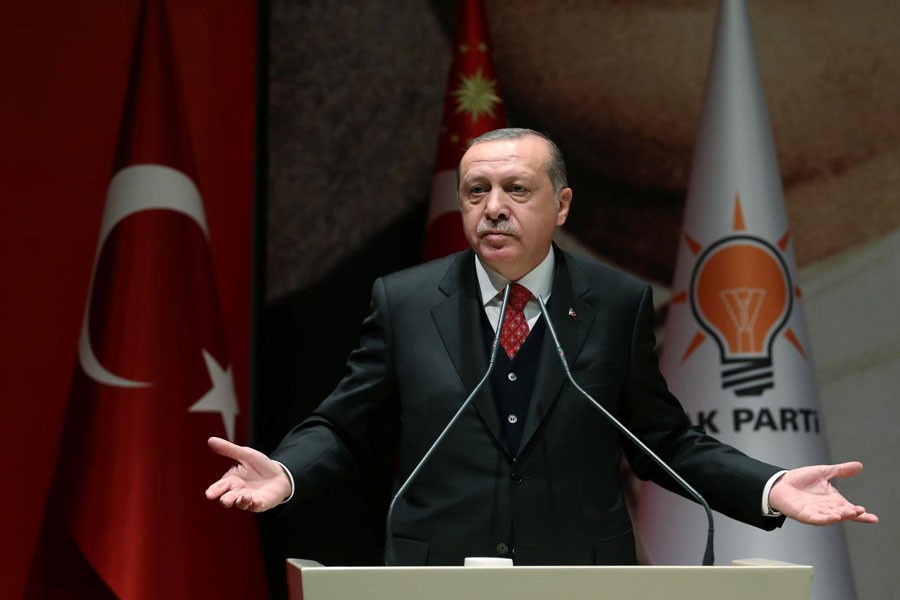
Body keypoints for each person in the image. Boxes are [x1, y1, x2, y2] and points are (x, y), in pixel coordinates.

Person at [206, 128, 877, 565]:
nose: (493, 206)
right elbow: (344, 426)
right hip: (438, 575)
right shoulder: (405, 301)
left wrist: (767, 485)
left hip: (580, 574)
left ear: (560, 206)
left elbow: (662, 441)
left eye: (516, 189)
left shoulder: (616, 303)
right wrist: (287, 471)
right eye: (477, 191)